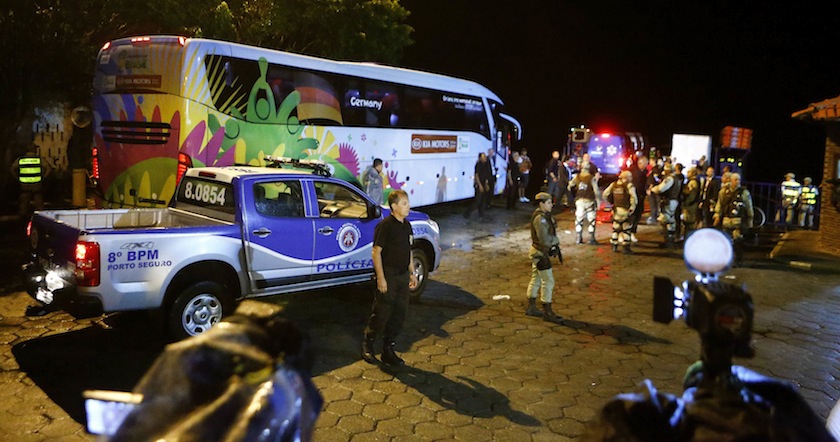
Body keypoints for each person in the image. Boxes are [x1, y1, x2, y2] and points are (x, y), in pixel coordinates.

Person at [362, 190, 418, 367]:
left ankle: (388, 349)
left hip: (402, 275)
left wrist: (412, 273)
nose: (408, 206)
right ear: (394, 207)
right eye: (404, 203)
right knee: (382, 311)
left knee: (399, 314)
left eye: (407, 203)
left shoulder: (407, 226)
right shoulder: (385, 226)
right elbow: (376, 252)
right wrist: (381, 278)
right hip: (389, 274)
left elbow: (408, 250)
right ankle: (368, 343)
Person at [525, 192, 562, 323]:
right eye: (548, 203)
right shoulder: (540, 219)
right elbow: (544, 238)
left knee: (536, 278)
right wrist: (554, 243)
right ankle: (547, 311)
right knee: (548, 281)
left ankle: (532, 307)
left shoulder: (543, 216)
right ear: (541, 203)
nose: (551, 205)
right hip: (540, 253)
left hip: (537, 252)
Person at [602, 170, 637, 254]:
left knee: (616, 228)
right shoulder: (629, 186)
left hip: (616, 210)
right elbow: (634, 198)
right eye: (630, 177)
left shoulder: (613, 185)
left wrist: (610, 203)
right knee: (626, 229)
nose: (631, 178)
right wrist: (632, 207)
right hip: (625, 209)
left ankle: (614, 245)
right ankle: (626, 247)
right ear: (626, 177)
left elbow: (605, 194)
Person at [649, 163, 681, 248]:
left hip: (669, 201)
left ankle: (669, 241)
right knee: (670, 219)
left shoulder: (670, 179)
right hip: (673, 201)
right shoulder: (676, 178)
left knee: (666, 220)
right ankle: (670, 240)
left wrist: (653, 189)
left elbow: (660, 189)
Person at [715, 173, 754, 242]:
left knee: (737, 239)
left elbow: (748, 206)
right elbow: (719, 203)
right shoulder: (724, 191)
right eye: (736, 179)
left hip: (738, 220)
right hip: (726, 219)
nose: (738, 181)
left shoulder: (744, 192)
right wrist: (717, 215)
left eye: (739, 179)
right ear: (731, 180)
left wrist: (750, 219)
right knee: (726, 239)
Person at [12, 142, 47, 218]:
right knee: (38, 201)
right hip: (36, 184)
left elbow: (12, 169)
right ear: (34, 149)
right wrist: (43, 177)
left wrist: (17, 178)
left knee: (24, 201)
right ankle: (41, 217)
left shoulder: (21, 159)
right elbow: (48, 169)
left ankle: (22, 217)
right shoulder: (38, 159)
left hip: (24, 184)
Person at [569, 167, 601, 245]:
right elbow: (596, 190)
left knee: (579, 219)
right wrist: (599, 201)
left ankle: (578, 238)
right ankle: (591, 238)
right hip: (589, 200)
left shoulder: (577, 177)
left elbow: (570, 186)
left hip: (579, 200)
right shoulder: (591, 178)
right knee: (591, 219)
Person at [464, 152, 492, 220]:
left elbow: (486, 175)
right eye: (483, 157)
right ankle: (467, 213)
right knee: (477, 201)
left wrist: (486, 184)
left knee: (483, 201)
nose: (485, 158)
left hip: (483, 183)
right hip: (479, 184)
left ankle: (481, 215)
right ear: (480, 158)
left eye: (485, 156)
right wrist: (480, 185)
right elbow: (476, 176)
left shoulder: (486, 165)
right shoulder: (478, 164)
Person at [628, 155, 648, 242]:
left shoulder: (642, 172)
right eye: (645, 163)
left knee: (637, 214)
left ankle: (630, 232)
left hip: (639, 197)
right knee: (634, 215)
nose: (646, 165)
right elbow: (638, 185)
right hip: (636, 197)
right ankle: (630, 232)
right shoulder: (636, 172)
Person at [681, 167, 701, 238]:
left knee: (689, 223)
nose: (687, 174)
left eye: (688, 172)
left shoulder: (693, 182)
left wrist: (686, 203)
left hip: (691, 206)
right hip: (691, 205)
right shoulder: (694, 181)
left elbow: (691, 194)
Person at [646, 157, 663, 224]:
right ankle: (654, 217)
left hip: (653, 190)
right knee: (654, 204)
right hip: (654, 189)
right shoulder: (654, 169)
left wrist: (650, 188)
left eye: (650, 161)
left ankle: (654, 218)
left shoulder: (655, 169)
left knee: (653, 204)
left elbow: (654, 180)